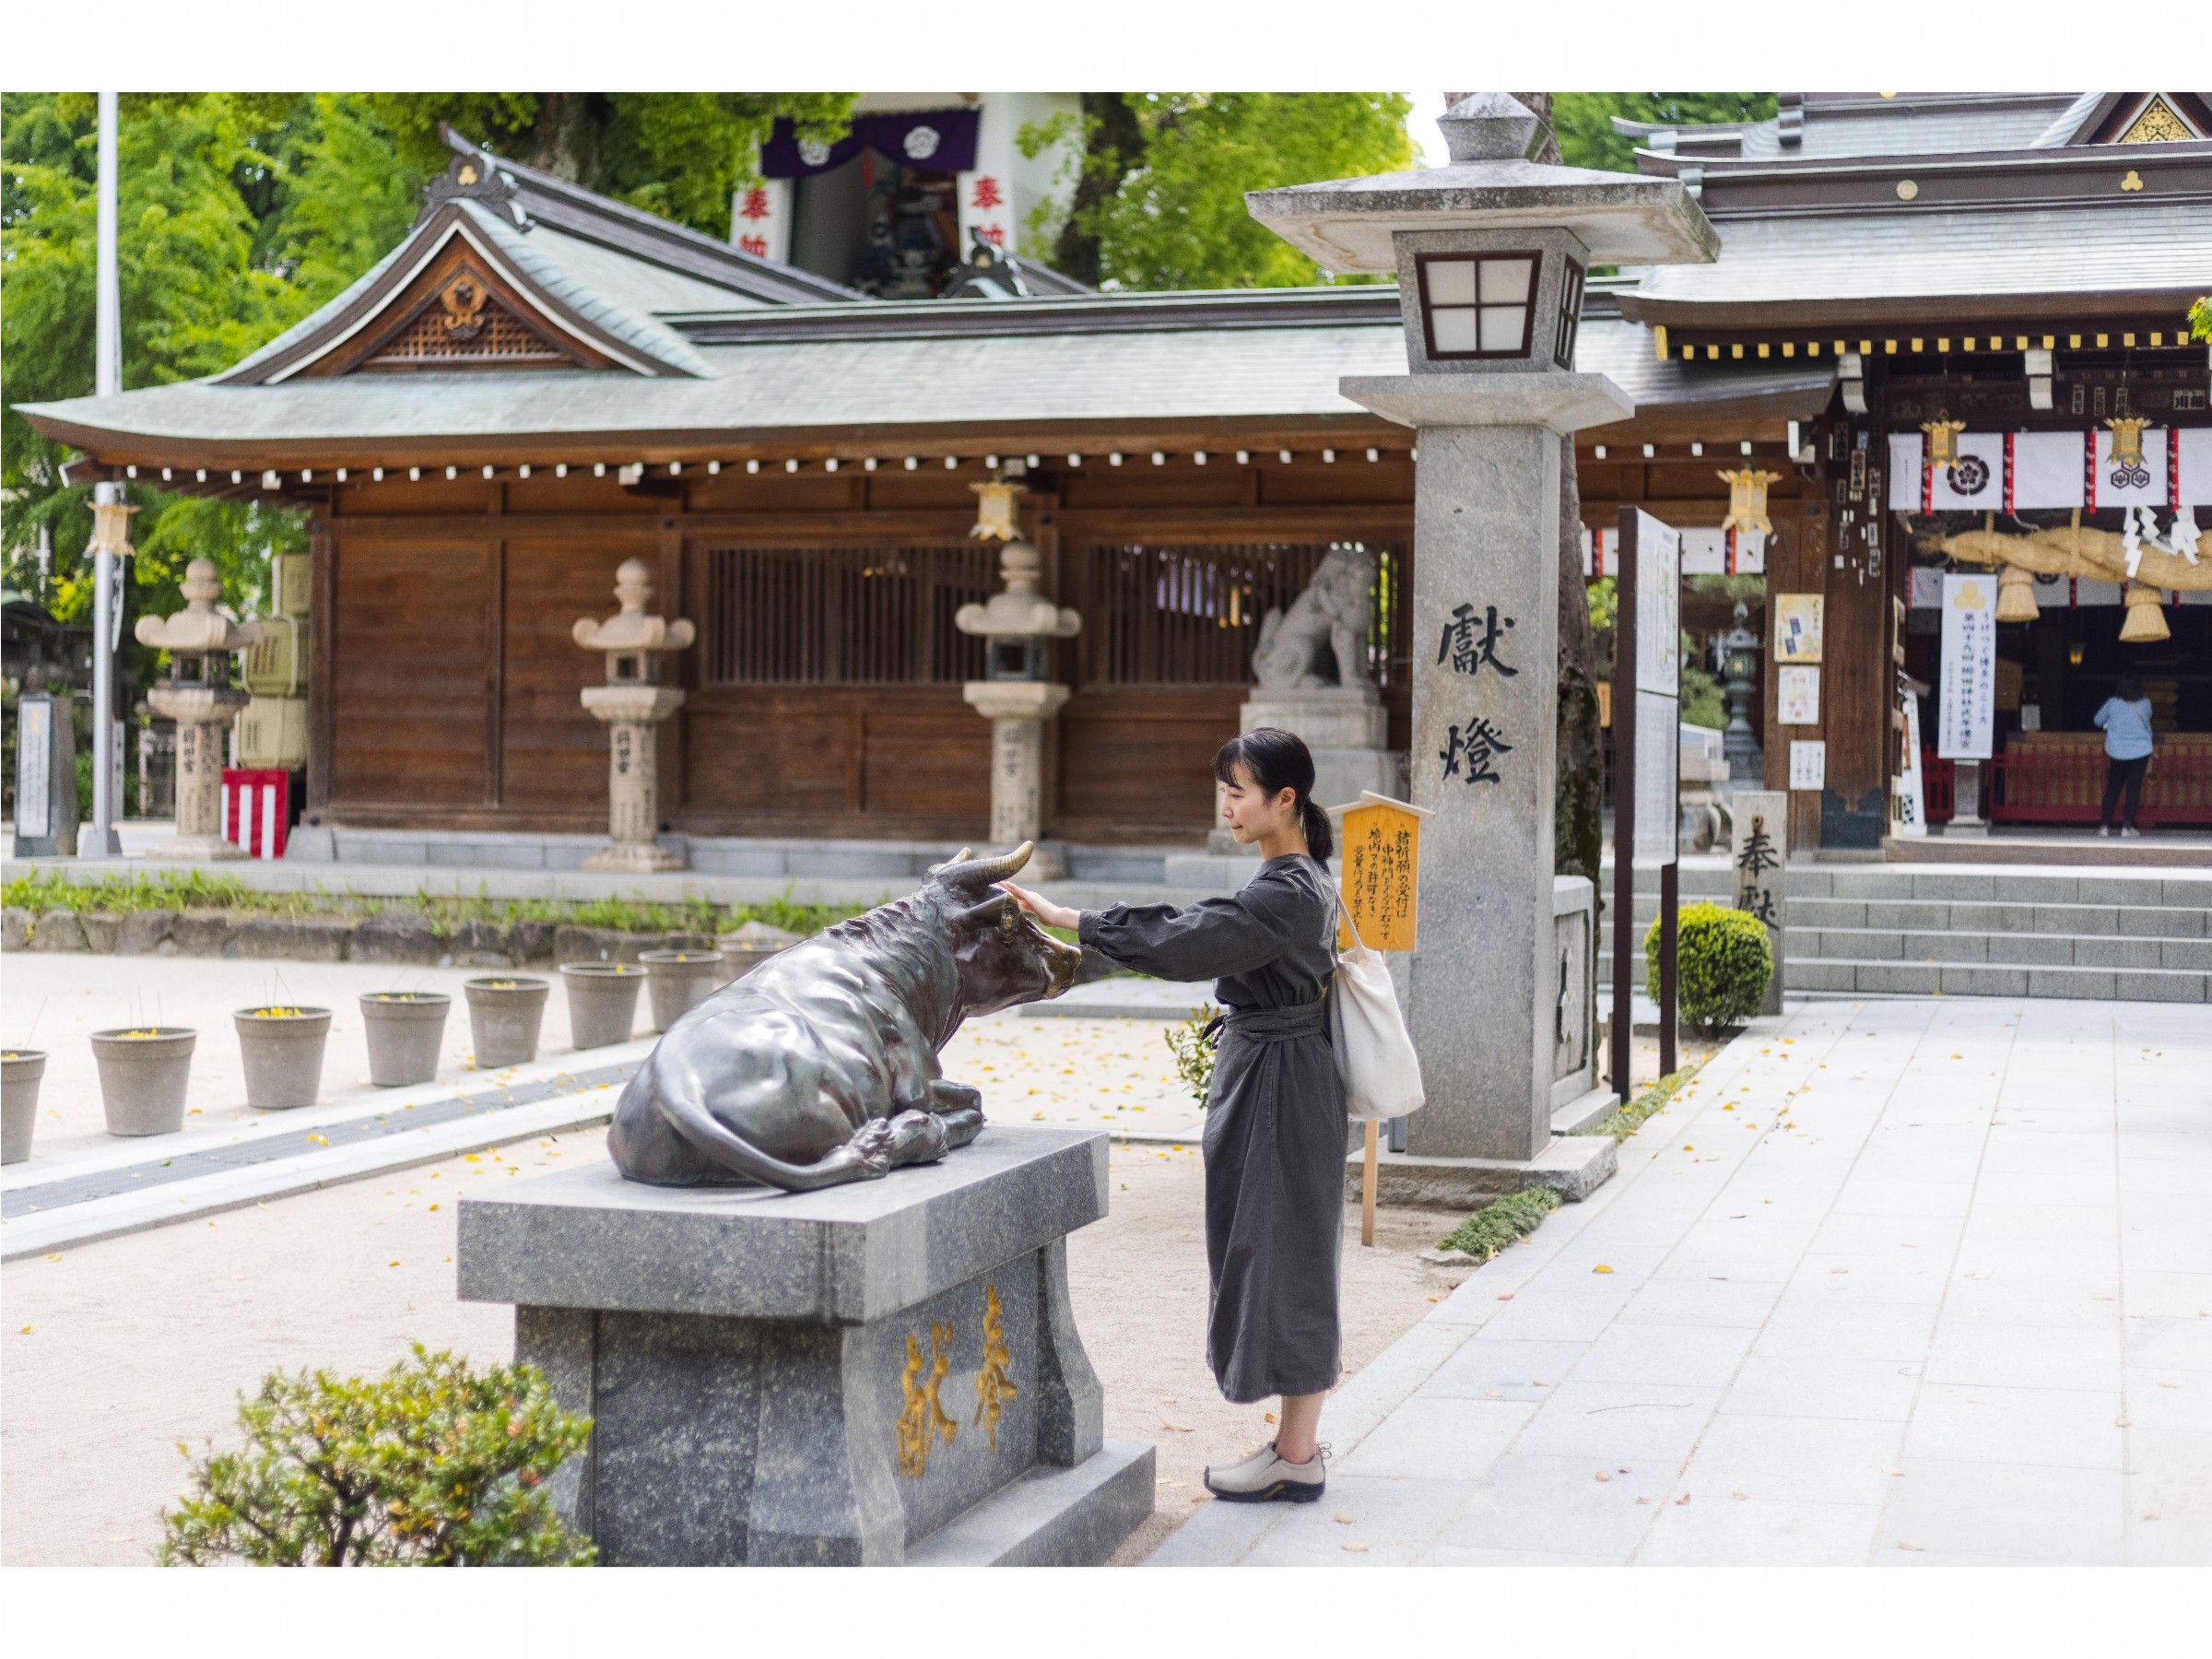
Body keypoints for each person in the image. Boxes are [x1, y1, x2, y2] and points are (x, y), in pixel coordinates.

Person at [1002, 728, 1346, 1504]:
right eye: (1224, 789)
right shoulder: (1302, 879)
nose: (1227, 806)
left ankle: (1297, 1453)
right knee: (1285, 1245)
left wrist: (1077, 919)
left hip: (1279, 1085)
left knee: (1281, 1249)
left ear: (1283, 800)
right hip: (1283, 1074)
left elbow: (1191, 937)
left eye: (1239, 791)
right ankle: (1298, 1446)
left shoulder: (1286, 891)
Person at [2093, 674, 2155, 839]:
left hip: (2117, 751)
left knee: (2113, 788)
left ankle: (2104, 826)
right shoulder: (2146, 704)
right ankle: (2127, 827)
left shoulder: (2112, 704)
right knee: (2133, 789)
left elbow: (2097, 721)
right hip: (2140, 751)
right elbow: (2147, 719)